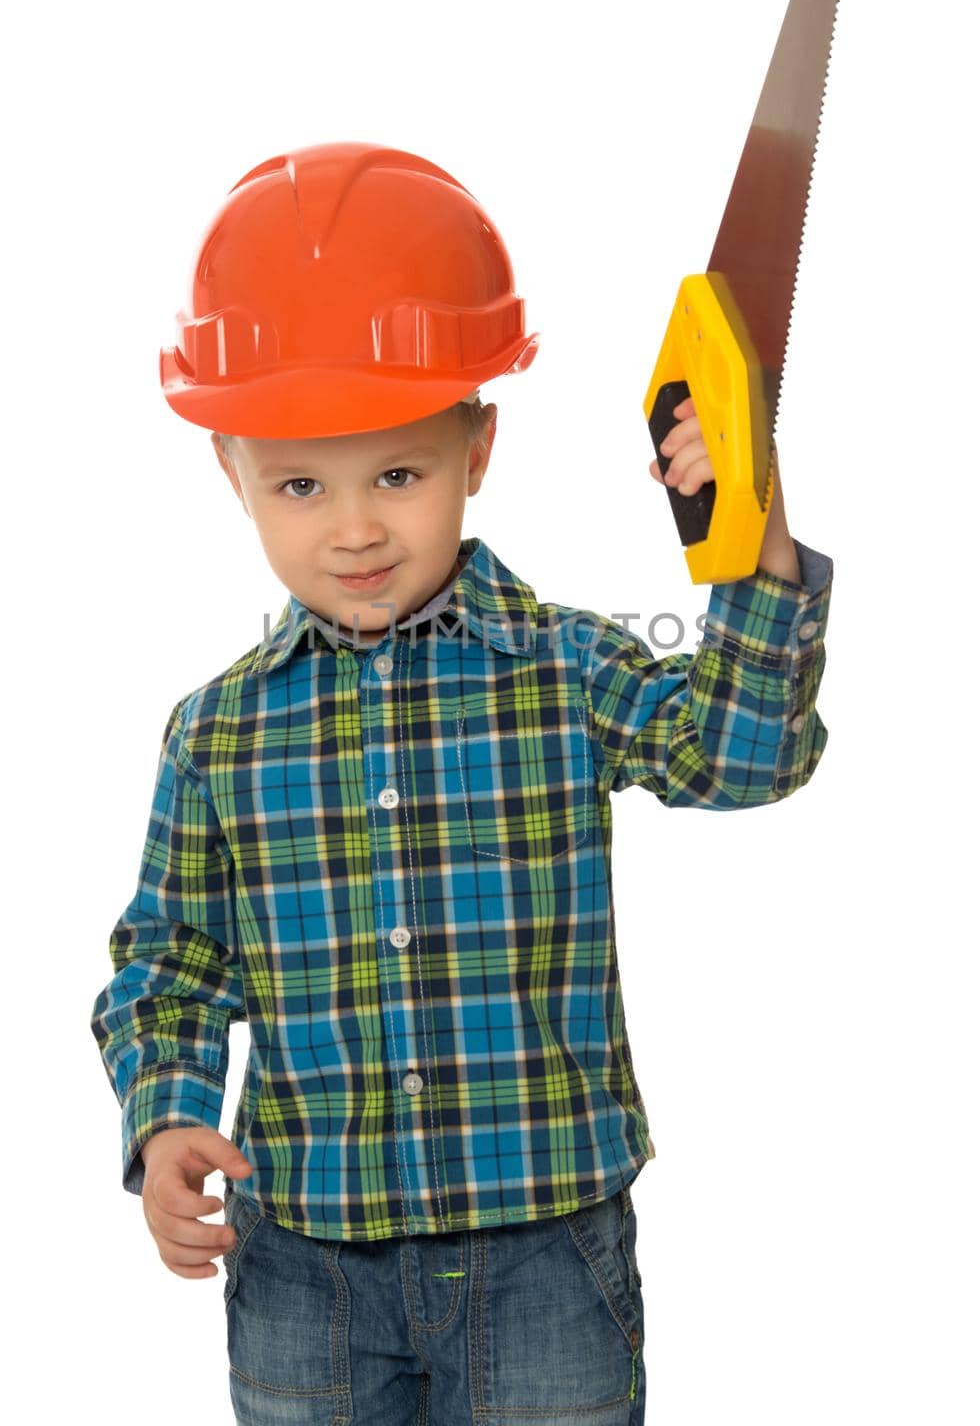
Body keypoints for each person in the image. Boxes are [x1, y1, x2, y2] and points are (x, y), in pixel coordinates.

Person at [90, 140, 832, 1425]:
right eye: (300, 486)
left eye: (397, 473)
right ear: (232, 477)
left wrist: (750, 545)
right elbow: (170, 960)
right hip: (304, 1272)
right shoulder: (215, 731)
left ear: (474, 447)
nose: (356, 528)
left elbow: (743, 753)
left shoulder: (563, 667)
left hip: (545, 1253)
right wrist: (164, 1121)